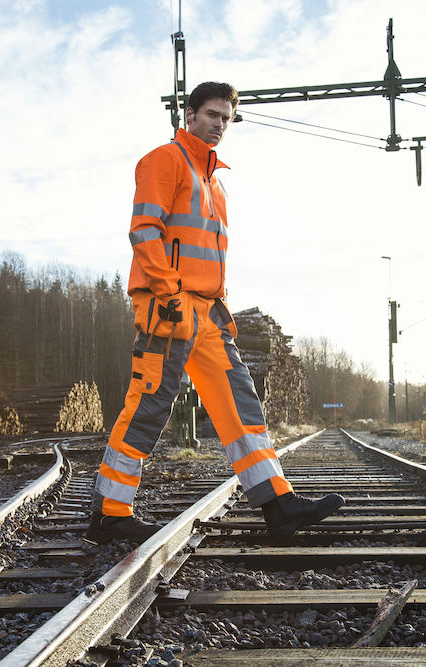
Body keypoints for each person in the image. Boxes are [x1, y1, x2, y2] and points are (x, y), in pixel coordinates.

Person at [87, 81, 343, 544]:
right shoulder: (163, 161)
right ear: (189, 115)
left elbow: (207, 254)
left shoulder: (216, 183)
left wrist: (219, 304)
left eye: (226, 117)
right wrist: (166, 292)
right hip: (168, 309)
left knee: (240, 404)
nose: (219, 124)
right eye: (211, 115)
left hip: (208, 316)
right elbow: (143, 231)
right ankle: (110, 511)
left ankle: (277, 503)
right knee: (148, 405)